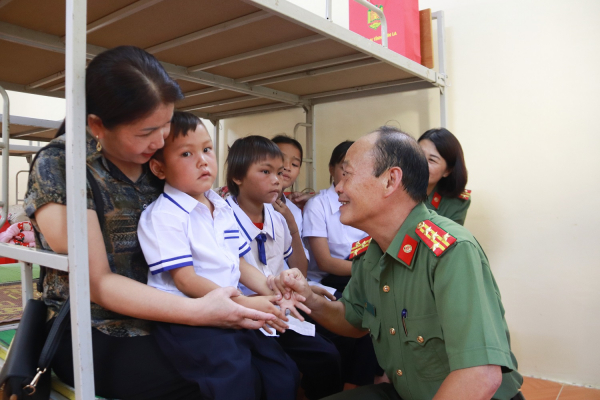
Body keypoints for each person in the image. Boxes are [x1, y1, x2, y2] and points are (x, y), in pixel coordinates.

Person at [24, 46, 277, 400]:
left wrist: (262, 289)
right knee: (204, 383)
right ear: (97, 125)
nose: (160, 142)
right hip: (96, 325)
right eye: (146, 132)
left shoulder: (155, 161)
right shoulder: (65, 163)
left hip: (172, 312)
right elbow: (97, 283)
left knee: (271, 365)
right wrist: (200, 312)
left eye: (166, 126)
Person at [275, 126, 524, 400]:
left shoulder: (450, 252)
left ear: (391, 180)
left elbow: (480, 376)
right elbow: (353, 319)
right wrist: (309, 298)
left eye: (347, 175)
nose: (338, 188)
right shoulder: (372, 253)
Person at [137, 112, 303, 400]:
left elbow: (239, 262)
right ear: (159, 168)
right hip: (190, 321)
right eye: (187, 153)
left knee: (282, 372)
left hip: (232, 310)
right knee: (234, 380)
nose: (202, 160)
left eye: (207, 149)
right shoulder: (163, 215)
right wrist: (245, 304)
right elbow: (186, 280)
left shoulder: (222, 207)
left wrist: (272, 293)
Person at [224, 136, 343, 400]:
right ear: (237, 177)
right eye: (266, 172)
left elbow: (298, 267)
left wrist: (291, 225)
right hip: (246, 314)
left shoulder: (277, 218)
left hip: (280, 309)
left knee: (328, 357)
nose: (277, 180)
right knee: (281, 378)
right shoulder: (222, 217)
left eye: (279, 172)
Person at [302, 140, 384, 388]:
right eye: (344, 170)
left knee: (383, 312)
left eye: (355, 172)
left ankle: (372, 381)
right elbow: (325, 262)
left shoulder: (366, 200)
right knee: (363, 318)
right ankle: (352, 386)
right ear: (331, 169)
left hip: (361, 271)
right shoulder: (319, 205)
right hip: (331, 278)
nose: (348, 178)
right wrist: (367, 270)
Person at [418, 128, 471, 225]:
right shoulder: (393, 186)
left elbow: (450, 236)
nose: (421, 163)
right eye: (419, 154)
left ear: (447, 171)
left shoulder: (456, 202)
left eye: (432, 160)